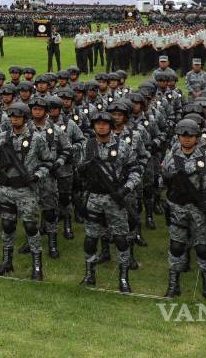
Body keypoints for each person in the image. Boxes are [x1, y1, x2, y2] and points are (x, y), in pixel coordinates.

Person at [76, 109, 142, 292]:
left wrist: (126, 189)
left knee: (121, 239)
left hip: (115, 199)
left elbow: (135, 171)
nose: (101, 126)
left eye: (105, 124)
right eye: (98, 124)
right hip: (94, 198)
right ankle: (90, 275)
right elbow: (78, 171)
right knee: (90, 239)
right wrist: (84, 168)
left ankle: (123, 277)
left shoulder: (123, 146)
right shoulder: (87, 146)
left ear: (111, 126)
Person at [0, 101, 53, 279]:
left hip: (26, 189)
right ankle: (7, 262)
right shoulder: (4, 136)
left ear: (25, 118)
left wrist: (37, 176)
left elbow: (48, 162)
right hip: (7, 188)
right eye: (12, 117)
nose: (14, 120)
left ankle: (37, 266)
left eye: (18, 117)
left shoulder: (36, 138)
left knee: (31, 227)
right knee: (7, 225)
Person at [160, 118, 206, 301]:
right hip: (177, 208)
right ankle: (173, 285)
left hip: (199, 210)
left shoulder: (205, 158)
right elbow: (161, 182)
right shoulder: (171, 157)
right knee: (176, 247)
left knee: (203, 248)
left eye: (190, 136)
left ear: (197, 138)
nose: (186, 139)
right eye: (183, 136)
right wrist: (167, 178)